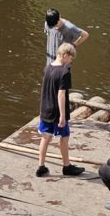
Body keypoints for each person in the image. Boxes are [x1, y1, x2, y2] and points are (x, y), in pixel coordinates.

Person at [36, 43, 84, 178]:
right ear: (65, 55)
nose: (71, 61)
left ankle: (41, 166)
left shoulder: (47, 68)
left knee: (45, 137)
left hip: (45, 109)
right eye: (71, 58)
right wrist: (63, 116)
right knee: (64, 136)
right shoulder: (64, 72)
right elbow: (61, 94)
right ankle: (66, 166)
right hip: (57, 111)